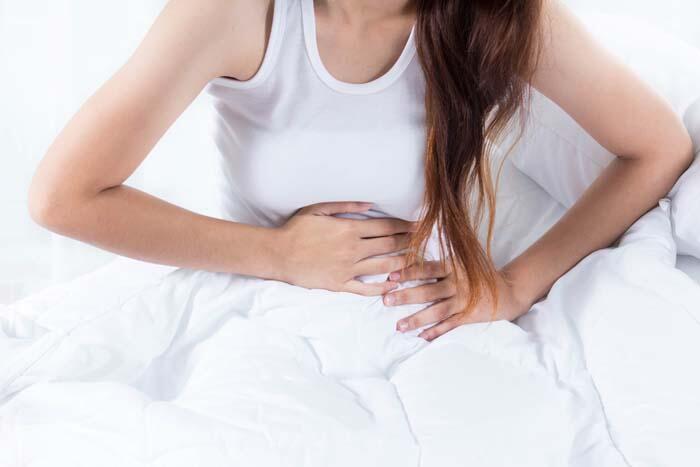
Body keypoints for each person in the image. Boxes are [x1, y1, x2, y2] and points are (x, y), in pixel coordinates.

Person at [28, 0, 692, 342]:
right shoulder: (236, 13)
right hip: (253, 306)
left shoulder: (496, 15)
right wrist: (279, 255)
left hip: (414, 321)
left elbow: (656, 146)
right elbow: (62, 196)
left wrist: (515, 286)